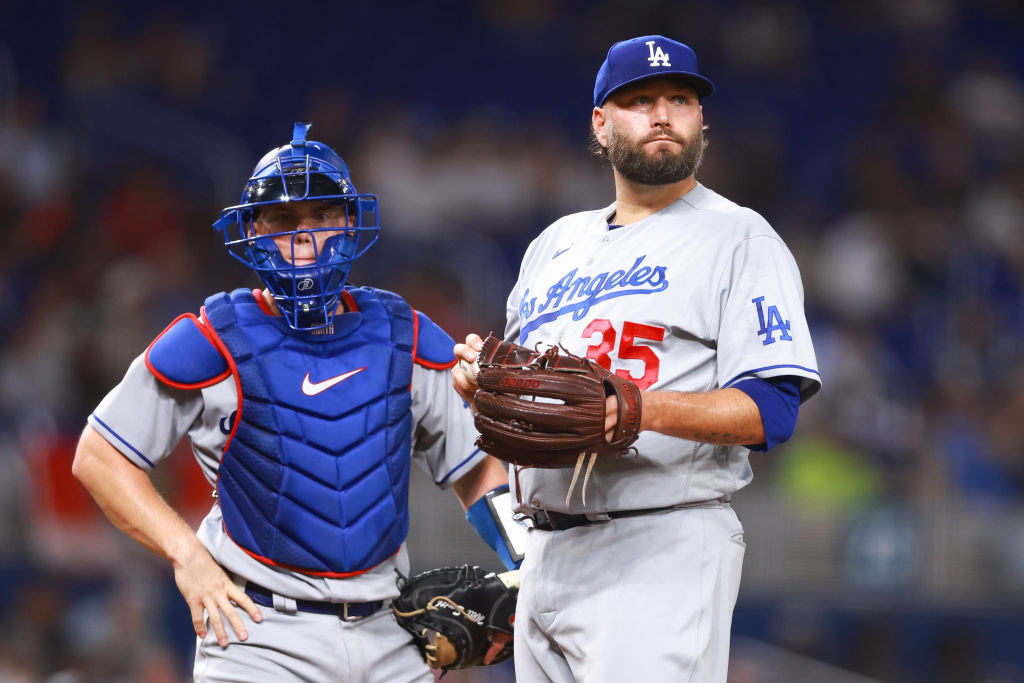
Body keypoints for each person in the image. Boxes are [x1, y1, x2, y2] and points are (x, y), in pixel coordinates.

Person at [73, 122, 516, 683]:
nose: (305, 237)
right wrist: (187, 557)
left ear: (350, 224)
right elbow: (98, 456)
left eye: (323, 215)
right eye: (284, 220)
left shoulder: (403, 333)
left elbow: (475, 469)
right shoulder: (211, 337)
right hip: (259, 636)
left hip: (391, 632)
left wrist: (525, 558)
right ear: (255, 231)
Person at [452, 36, 821, 682]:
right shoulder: (552, 246)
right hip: (545, 552)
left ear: (701, 120)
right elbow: (532, 400)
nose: (662, 114)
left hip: (660, 544)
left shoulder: (739, 237)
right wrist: (484, 383)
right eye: (639, 100)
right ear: (601, 122)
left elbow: (772, 408)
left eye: (681, 98)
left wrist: (641, 407)